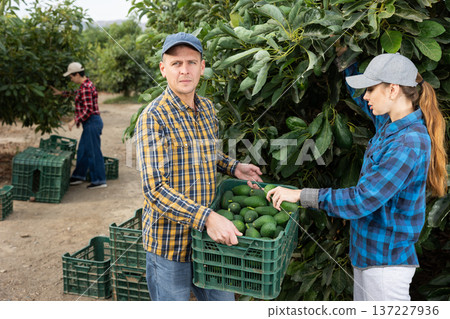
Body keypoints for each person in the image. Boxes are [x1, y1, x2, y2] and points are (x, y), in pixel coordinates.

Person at [265, 53, 448, 301]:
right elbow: (362, 100)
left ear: (393, 90)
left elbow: (362, 200)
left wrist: (300, 195)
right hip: (369, 258)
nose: (365, 96)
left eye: (371, 89)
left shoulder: (408, 142)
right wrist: (342, 57)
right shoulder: (390, 124)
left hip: (385, 266)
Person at [135, 32, 263, 301]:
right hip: (169, 245)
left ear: (202, 67)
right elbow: (154, 189)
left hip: (210, 244)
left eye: (191, 62)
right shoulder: (153, 118)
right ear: (163, 69)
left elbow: (206, 154)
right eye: (176, 63)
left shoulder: (207, 108)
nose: (185, 70)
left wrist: (233, 167)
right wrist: (208, 218)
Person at [51, 62, 107, 189]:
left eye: (71, 76)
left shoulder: (86, 87)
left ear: (77, 74)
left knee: (93, 152)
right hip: (90, 123)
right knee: (83, 150)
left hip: (92, 122)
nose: (71, 79)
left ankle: (99, 180)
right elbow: (77, 93)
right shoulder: (85, 85)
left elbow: (88, 110)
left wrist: (74, 120)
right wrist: (62, 93)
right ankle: (79, 175)